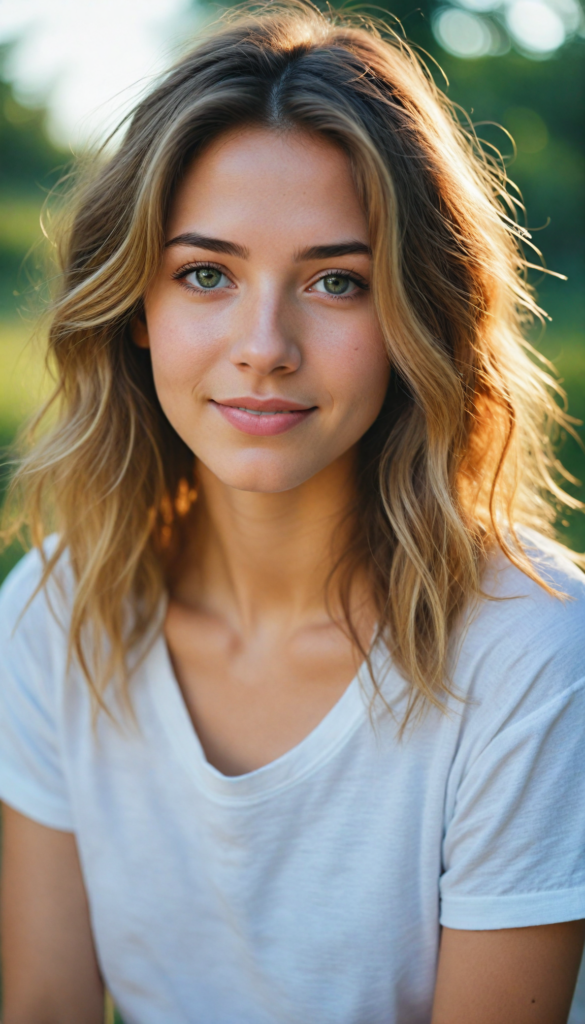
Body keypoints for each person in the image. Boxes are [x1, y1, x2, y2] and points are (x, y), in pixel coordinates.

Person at [1, 4, 584, 1022]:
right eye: (207, 274)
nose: (264, 343)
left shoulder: (530, 651)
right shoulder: (55, 614)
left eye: (335, 281)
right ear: (138, 308)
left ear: (417, 315)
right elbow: (45, 1002)